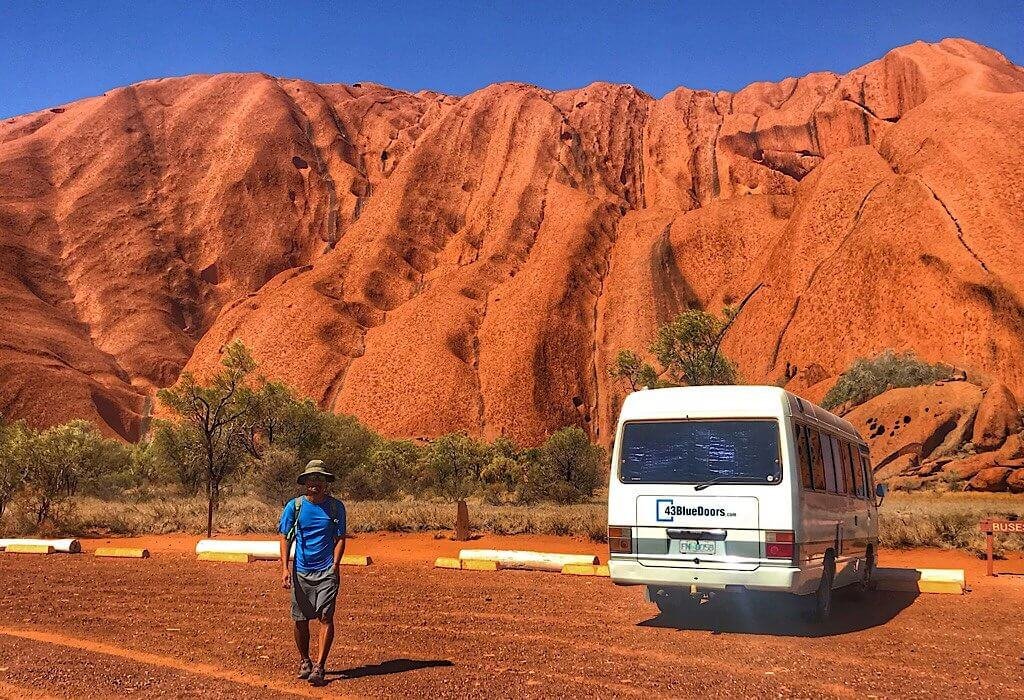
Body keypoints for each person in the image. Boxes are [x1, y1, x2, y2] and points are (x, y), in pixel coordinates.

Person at [278, 459, 347, 686]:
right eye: (311, 479)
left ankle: (320, 666)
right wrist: (284, 569)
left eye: (319, 479)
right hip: (300, 571)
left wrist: (335, 565)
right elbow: (284, 537)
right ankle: (304, 660)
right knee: (300, 619)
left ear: (325, 482)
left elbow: (339, 538)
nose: (315, 483)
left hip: (326, 570)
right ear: (305, 482)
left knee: (326, 616)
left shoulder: (336, 507)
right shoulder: (294, 507)